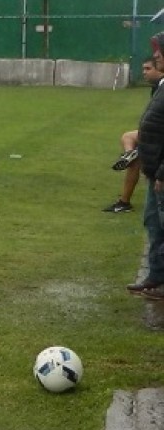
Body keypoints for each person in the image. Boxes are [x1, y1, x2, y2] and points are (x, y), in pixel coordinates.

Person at [127, 33, 164, 300]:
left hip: (161, 173)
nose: (157, 55)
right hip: (154, 172)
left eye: (160, 51)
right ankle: (156, 277)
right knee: (154, 224)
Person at [103, 57, 164, 213]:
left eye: (148, 69)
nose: (144, 73)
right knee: (128, 138)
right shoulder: (157, 87)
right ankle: (130, 154)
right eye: (143, 69)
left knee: (131, 144)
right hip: (152, 136)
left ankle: (131, 155)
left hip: (156, 140)